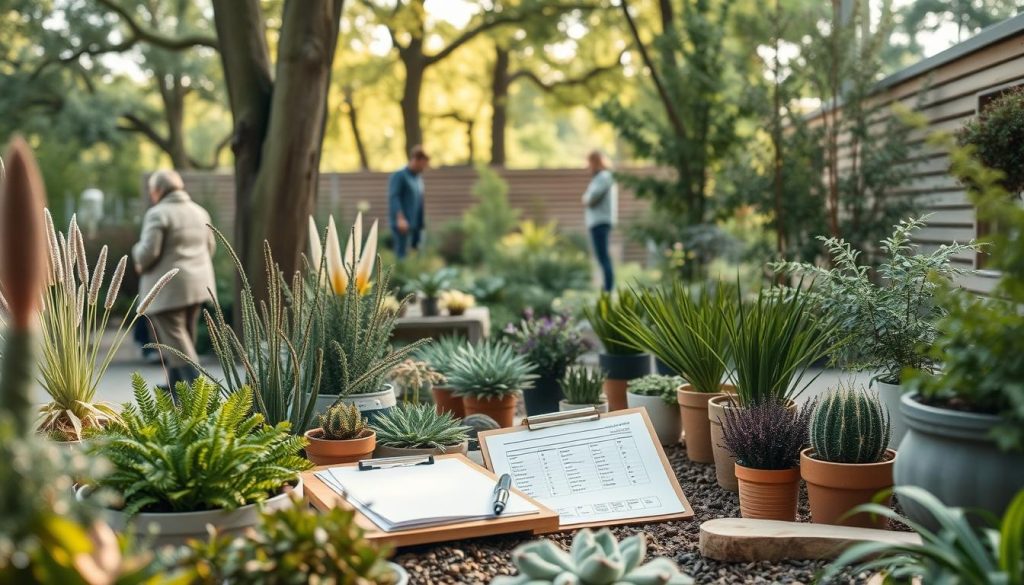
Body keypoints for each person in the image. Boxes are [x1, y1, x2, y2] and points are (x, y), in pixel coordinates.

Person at [132, 170, 216, 391]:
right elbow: (211, 247)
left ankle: (201, 392)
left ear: (158, 191)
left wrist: (135, 251)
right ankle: (176, 390)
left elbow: (148, 252)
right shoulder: (200, 212)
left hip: (168, 290)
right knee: (182, 338)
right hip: (198, 286)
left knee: (176, 342)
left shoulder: (158, 213)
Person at [582, 150, 618, 292]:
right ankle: (607, 287)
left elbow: (590, 199)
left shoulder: (604, 177)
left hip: (600, 221)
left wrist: (585, 198)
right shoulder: (600, 178)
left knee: (603, 257)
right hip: (598, 222)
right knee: (602, 257)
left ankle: (608, 289)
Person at [388, 145, 429, 259]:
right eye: (423, 164)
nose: (424, 168)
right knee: (401, 256)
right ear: (415, 159)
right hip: (402, 224)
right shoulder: (399, 175)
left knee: (415, 255)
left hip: (416, 224)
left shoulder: (418, 179)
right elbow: (394, 197)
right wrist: (400, 218)